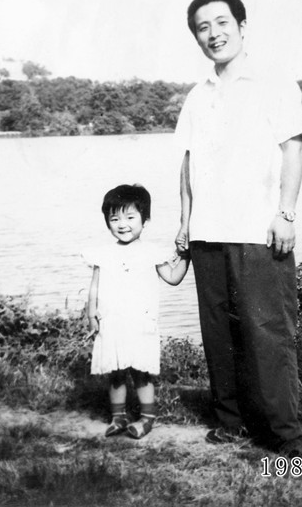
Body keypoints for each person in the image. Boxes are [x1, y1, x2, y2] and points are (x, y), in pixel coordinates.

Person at [174, 0, 302, 458]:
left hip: (258, 231)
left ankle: (287, 441)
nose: (213, 34)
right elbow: (188, 164)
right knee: (219, 334)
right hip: (207, 232)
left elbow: (293, 147)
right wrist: (184, 224)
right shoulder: (198, 95)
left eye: (221, 23)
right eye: (202, 27)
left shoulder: (273, 81)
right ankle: (231, 424)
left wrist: (286, 213)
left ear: (242, 26)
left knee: (268, 333)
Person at [83, 183, 190, 439]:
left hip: (140, 323)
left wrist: (187, 255)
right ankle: (118, 417)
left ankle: (147, 417)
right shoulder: (103, 253)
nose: (123, 224)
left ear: (145, 219)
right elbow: (95, 287)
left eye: (130, 217)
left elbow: (173, 277)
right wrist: (91, 315)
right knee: (116, 372)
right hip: (112, 322)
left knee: (141, 372)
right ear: (107, 221)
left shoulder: (153, 252)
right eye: (115, 218)